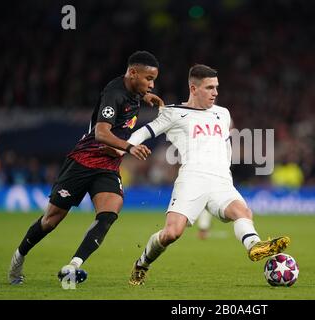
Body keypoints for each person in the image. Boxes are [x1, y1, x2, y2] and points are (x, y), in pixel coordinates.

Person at [117, 64, 290, 285]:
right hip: (192, 179)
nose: (215, 93)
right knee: (172, 233)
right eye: (209, 88)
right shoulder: (174, 112)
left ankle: (254, 246)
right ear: (193, 88)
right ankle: (142, 263)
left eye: (216, 87)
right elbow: (145, 131)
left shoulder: (223, 113)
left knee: (242, 211)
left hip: (220, 180)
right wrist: (125, 147)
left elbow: (225, 145)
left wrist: (225, 171)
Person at [8, 50, 163, 285]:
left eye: (154, 80)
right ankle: (18, 258)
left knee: (110, 212)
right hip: (83, 162)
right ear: (132, 73)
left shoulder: (133, 91)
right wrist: (130, 147)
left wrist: (145, 97)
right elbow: (101, 133)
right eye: (148, 79)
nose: (152, 85)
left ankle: (73, 266)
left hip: (108, 166)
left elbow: (131, 101)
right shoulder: (114, 94)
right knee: (51, 220)